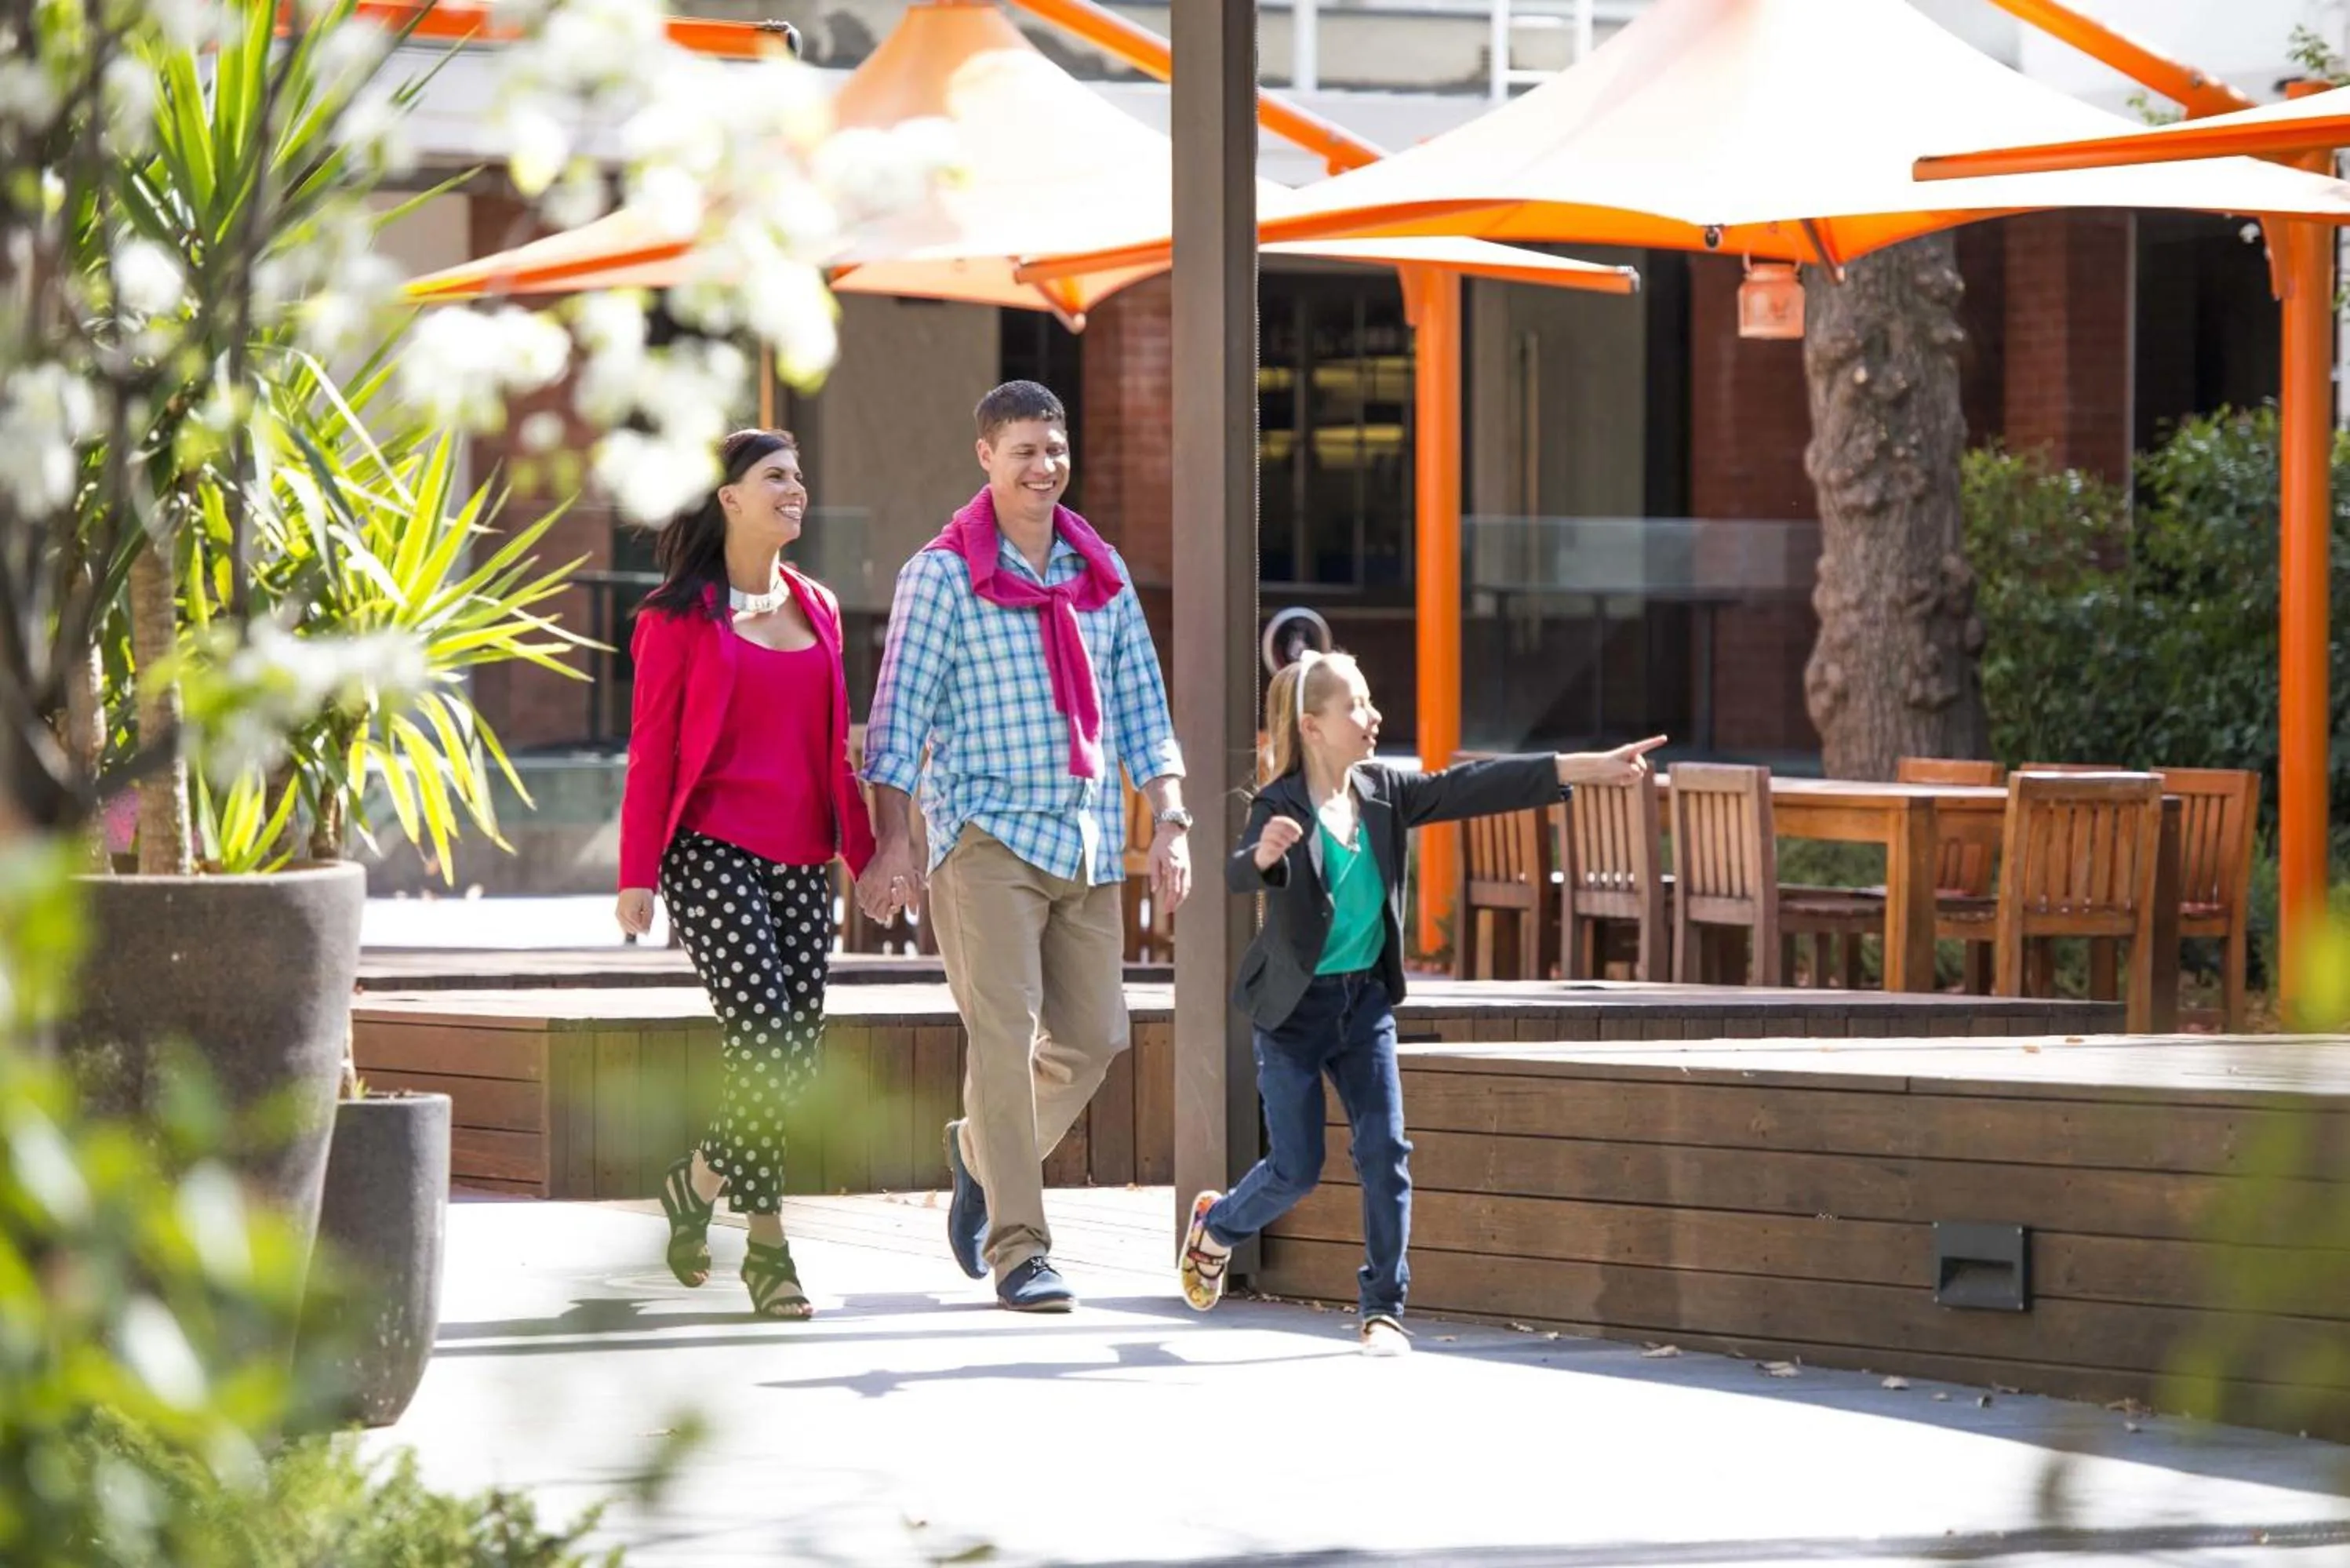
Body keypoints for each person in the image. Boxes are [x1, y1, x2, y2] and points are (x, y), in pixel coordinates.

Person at [1179, 649, 1663, 1353]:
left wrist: (1588, 766)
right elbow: (1238, 871)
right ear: (1312, 727)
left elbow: (1476, 784)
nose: (1373, 717)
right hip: (1292, 1013)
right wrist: (1264, 857)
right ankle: (1218, 1226)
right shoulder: (1279, 803)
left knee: (1386, 1152)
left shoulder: (1383, 792)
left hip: (1364, 1005)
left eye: (1370, 702)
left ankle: (1382, 1307)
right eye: (1356, 706)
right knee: (1296, 1168)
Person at [857, 380, 1189, 1314]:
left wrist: (1169, 818)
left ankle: (977, 1152)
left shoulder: (1099, 570)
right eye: (1024, 452)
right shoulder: (941, 573)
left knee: (1093, 1040)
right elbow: (896, 722)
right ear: (985, 459)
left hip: (1082, 836)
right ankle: (1019, 1248)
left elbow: (1141, 710)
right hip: (983, 837)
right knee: (1000, 1041)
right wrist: (892, 843)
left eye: (1054, 448)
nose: (1044, 467)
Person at [615, 427, 875, 1321]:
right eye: (775, 477)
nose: (794, 489)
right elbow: (650, 752)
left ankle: (694, 1183)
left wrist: (866, 856)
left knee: (790, 1057)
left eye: (799, 476)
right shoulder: (674, 619)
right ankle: (768, 1248)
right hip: (710, 847)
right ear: (728, 498)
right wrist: (635, 873)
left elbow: (837, 751)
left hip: (803, 855)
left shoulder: (822, 606)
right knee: (765, 1033)